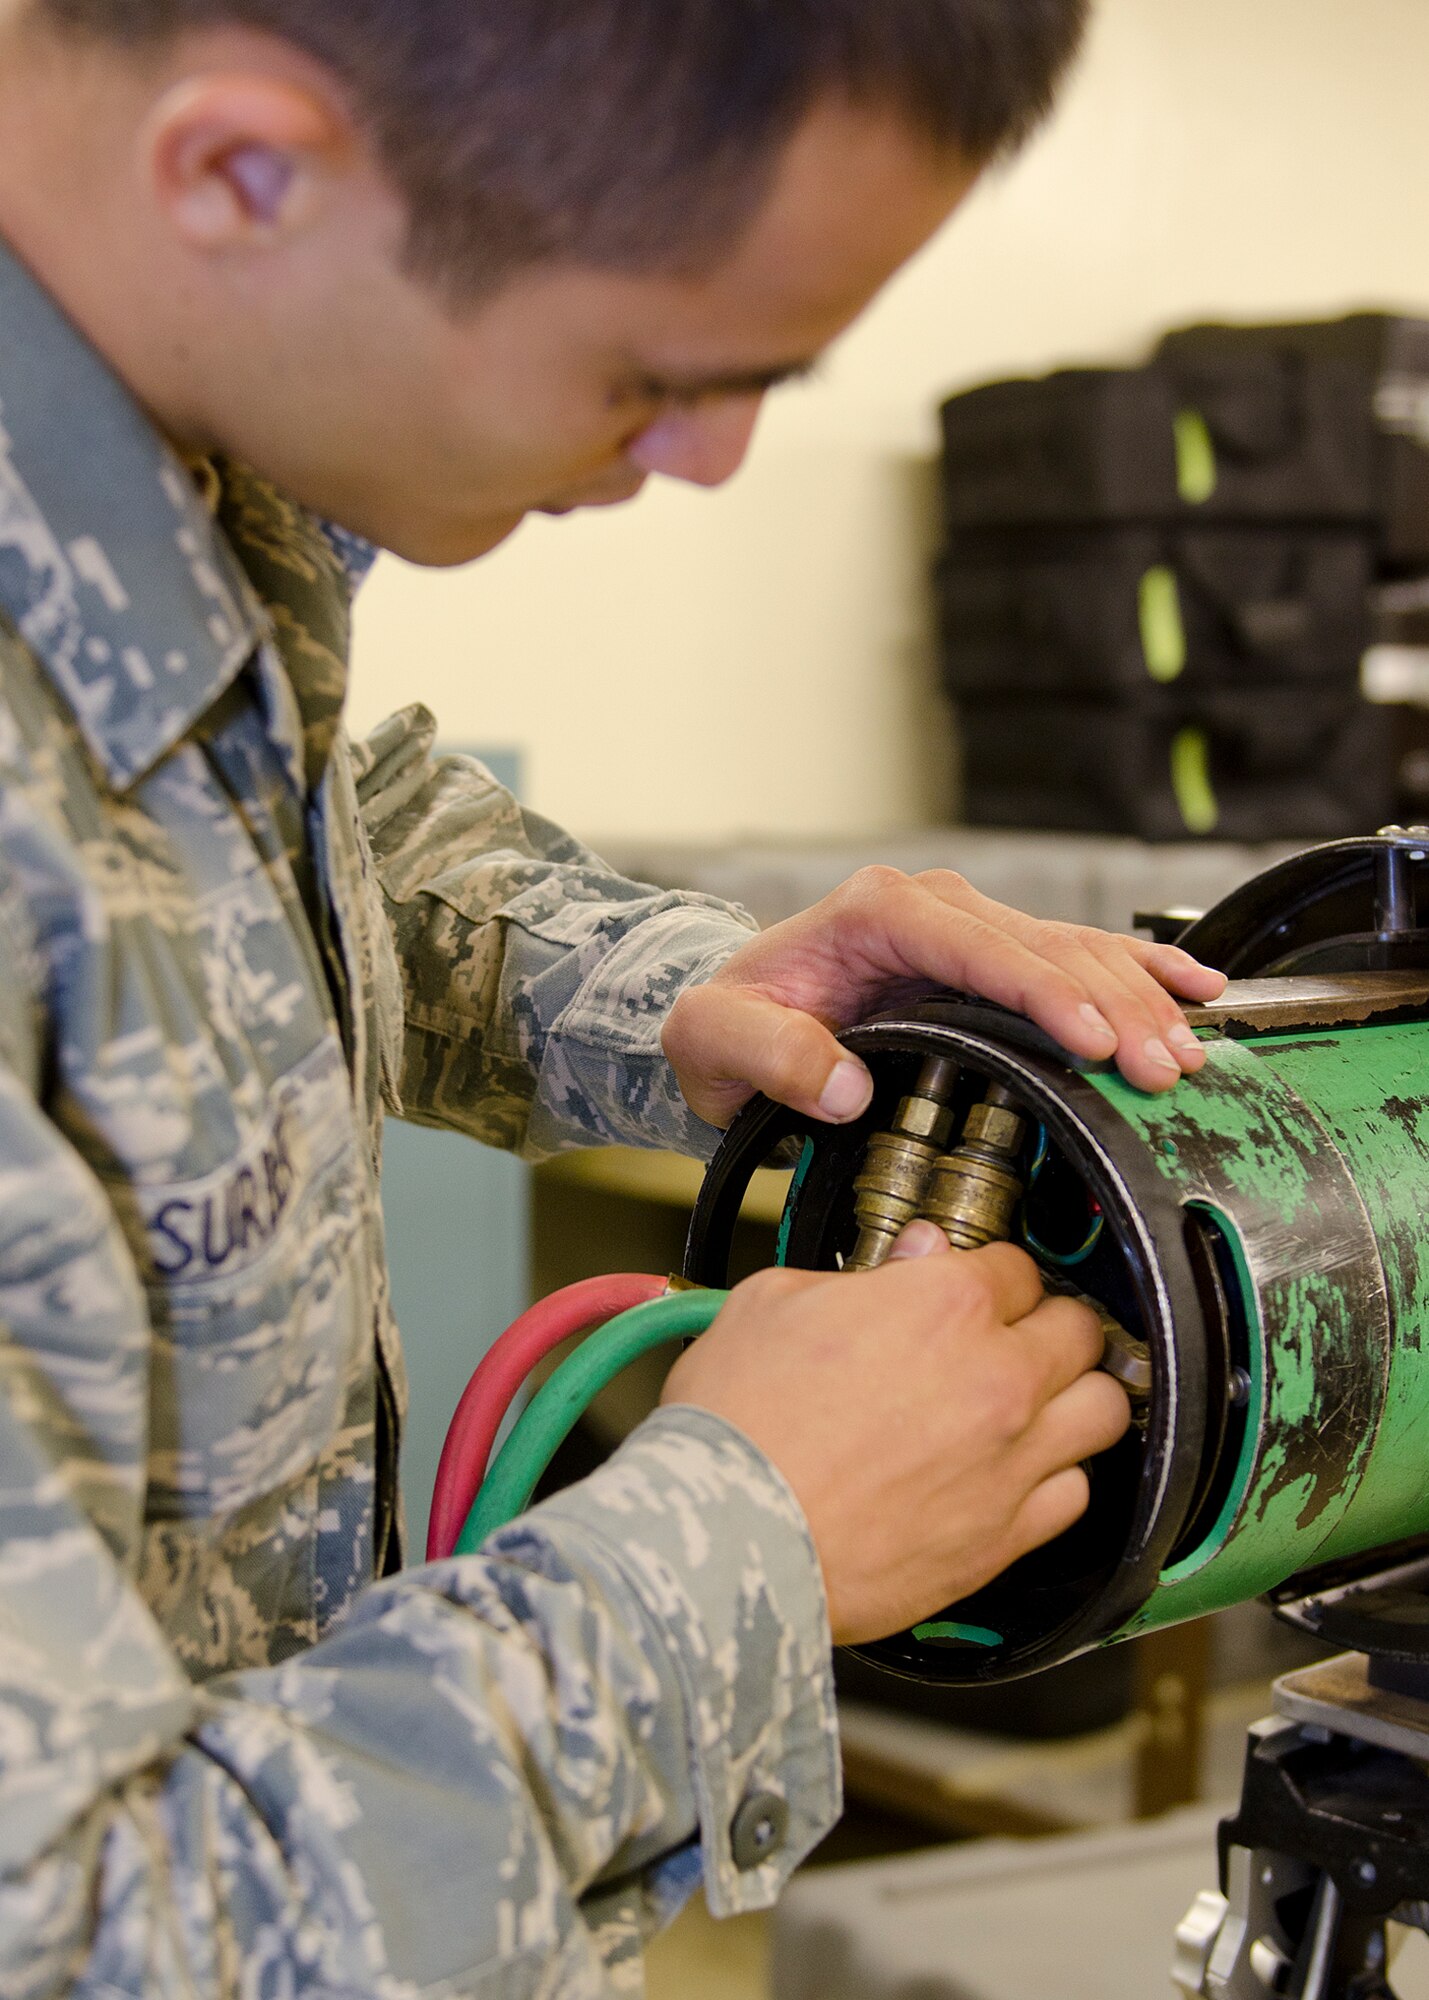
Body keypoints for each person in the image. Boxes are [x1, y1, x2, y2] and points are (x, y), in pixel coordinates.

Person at [0, 1, 1227, 1993]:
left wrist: (674, 988)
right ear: (241, 172)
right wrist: (745, 1547)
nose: (714, 460)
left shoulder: (170, 452)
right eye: (655, 371)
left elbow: (252, 824)